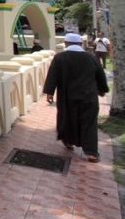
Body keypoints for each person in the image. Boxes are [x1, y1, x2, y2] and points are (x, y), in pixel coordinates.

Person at [42, 33, 109, 163]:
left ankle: (68, 142)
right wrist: (102, 90)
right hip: (88, 97)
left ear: (66, 43)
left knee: (68, 119)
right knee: (89, 123)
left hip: (68, 97)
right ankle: (91, 153)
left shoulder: (60, 57)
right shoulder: (92, 58)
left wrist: (49, 93)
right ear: (80, 44)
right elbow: (100, 76)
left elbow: (52, 76)